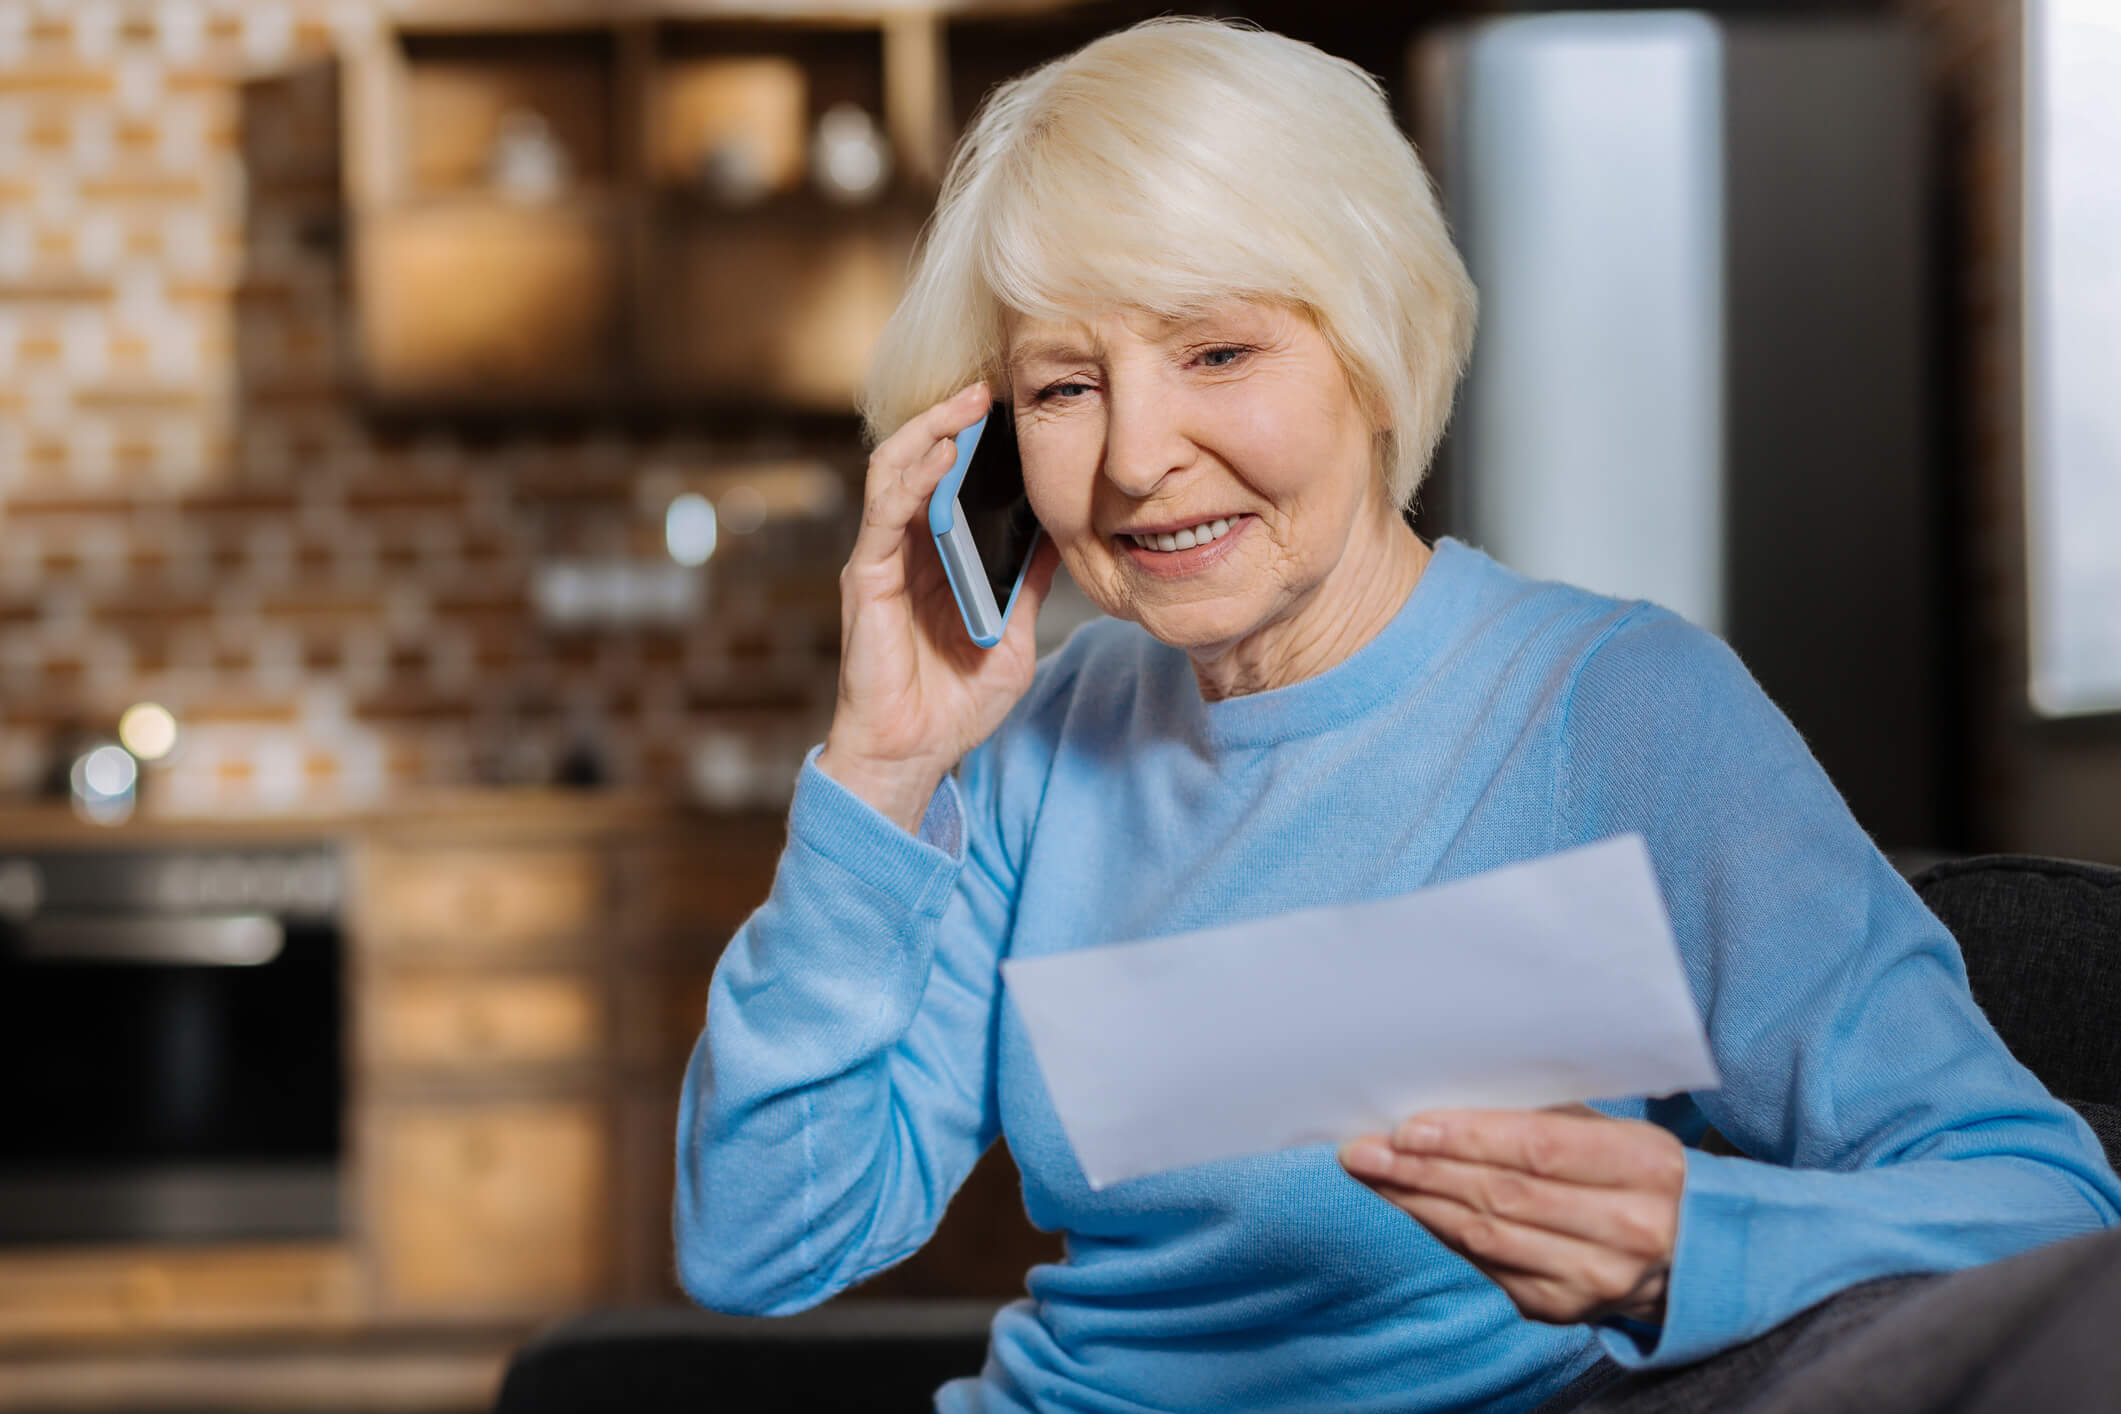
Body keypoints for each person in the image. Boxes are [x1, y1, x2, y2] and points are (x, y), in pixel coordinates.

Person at [674, 17, 2121, 1413]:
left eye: (1217, 354)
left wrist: (1698, 1246)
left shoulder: (1612, 712)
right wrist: (883, 771)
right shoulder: (1046, 746)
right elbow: (765, 1244)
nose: (1134, 459)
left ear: (1370, 353)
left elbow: (2039, 1200)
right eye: (1064, 384)